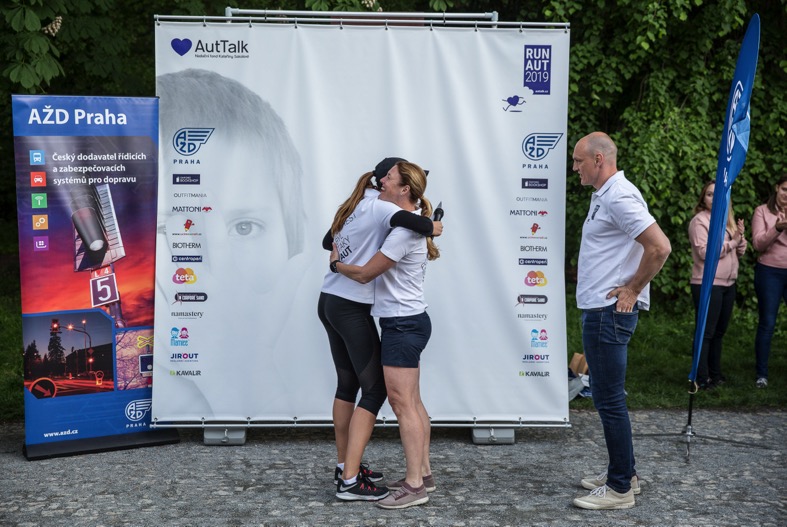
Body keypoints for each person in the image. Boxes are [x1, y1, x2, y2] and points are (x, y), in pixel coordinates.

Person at [155, 69, 308, 419]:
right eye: (167, 228)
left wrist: (245, 374)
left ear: (292, 240)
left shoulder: (319, 379)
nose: (206, 262)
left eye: (244, 227)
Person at [318, 158, 442, 502]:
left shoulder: (363, 206)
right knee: (385, 394)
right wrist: (431, 225)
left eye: (390, 177)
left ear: (404, 188)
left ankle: (365, 472)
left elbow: (330, 242)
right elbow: (412, 225)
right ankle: (352, 477)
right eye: (384, 176)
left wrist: (337, 262)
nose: (384, 181)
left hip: (341, 303)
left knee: (384, 395)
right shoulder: (384, 210)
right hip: (361, 308)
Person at [571, 132, 671, 510]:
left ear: (599, 159)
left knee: (609, 398)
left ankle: (619, 490)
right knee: (608, 396)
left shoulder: (618, 196)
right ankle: (625, 473)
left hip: (608, 313)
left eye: (579, 161)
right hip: (602, 312)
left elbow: (659, 246)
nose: (574, 168)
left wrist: (632, 288)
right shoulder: (607, 194)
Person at [688, 181, 747, 389]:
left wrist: (740, 241)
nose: (714, 198)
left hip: (728, 284)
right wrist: (733, 242)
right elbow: (705, 253)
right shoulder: (699, 221)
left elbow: (738, 250)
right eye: (709, 194)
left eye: (718, 194)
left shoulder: (726, 220)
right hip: (707, 283)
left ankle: (715, 374)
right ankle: (701, 378)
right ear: (703, 198)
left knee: (719, 332)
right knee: (706, 332)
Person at [751, 173, 787, 388]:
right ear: (777, 188)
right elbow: (758, 244)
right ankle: (761, 374)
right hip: (769, 272)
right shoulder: (762, 211)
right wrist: (778, 228)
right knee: (768, 322)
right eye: (784, 189)